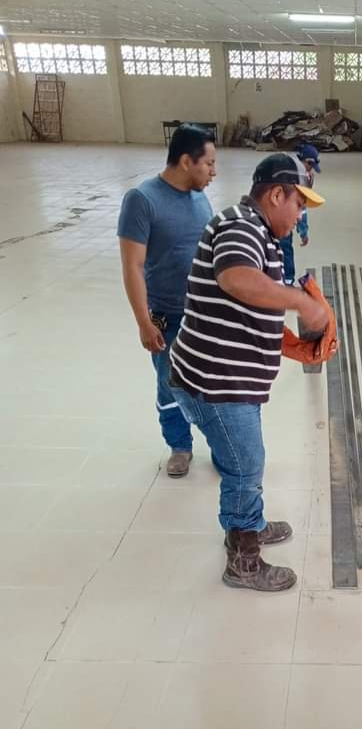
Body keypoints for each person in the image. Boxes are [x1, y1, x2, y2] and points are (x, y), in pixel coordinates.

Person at [168, 153, 330, 592]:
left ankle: (250, 523)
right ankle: (243, 560)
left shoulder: (261, 232)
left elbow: (249, 301)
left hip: (229, 380)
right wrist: (301, 303)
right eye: (298, 205)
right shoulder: (241, 226)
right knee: (245, 465)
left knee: (245, 459)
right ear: (276, 195)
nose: (300, 217)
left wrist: (288, 340)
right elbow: (236, 279)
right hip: (216, 384)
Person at [117, 124, 216, 478]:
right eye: (209, 164)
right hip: (167, 315)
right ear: (186, 161)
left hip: (205, 313)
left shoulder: (200, 197)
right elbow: (132, 265)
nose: (214, 172)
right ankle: (179, 446)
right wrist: (144, 322)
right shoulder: (142, 200)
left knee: (212, 383)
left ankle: (221, 444)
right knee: (170, 382)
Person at [278, 143, 321, 286]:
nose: (310, 170)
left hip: (287, 215)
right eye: (310, 166)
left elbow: (302, 206)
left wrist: (303, 230)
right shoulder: (292, 174)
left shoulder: (306, 177)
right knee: (281, 248)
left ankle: (287, 280)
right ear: (305, 161)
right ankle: (283, 280)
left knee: (285, 247)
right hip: (281, 215)